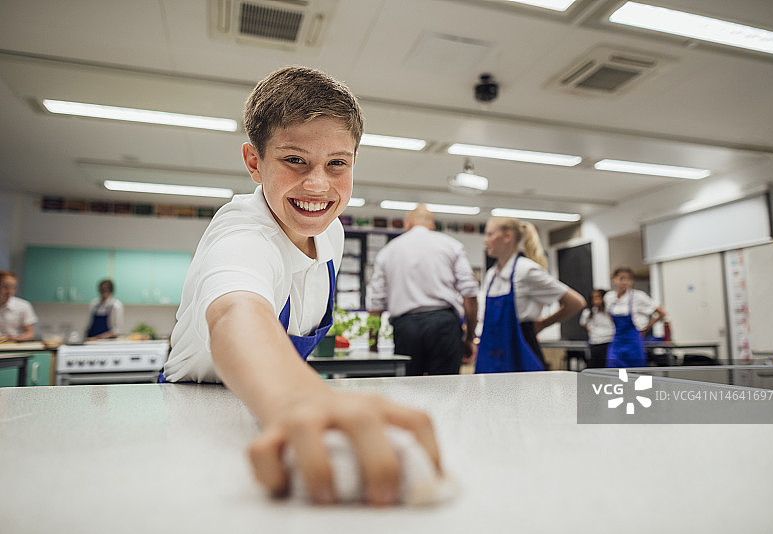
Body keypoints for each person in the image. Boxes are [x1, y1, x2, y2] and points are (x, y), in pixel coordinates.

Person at [162, 66, 439, 506]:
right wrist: (298, 399)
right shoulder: (241, 233)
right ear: (254, 162)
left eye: (337, 164)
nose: (317, 185)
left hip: (268, 414)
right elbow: (238, 310)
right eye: (295, 160)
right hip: (195, 418)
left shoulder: (331, 231)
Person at [365, 205, 479, 376]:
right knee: (446, 391)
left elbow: (376, 303)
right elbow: (469, 293)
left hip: (406, 329)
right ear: (432, 225)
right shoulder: (451, 245)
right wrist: (469, 337)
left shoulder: (388, 251)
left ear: (407, 223)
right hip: (444, 326)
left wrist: (372, 345)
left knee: (409, 392)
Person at [476, 217, 585, 373]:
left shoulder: (526, 270)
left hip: (520, 351)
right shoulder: (491, 275)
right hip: (492, 352)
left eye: (490, 234)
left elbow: (576, 303)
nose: (485, 241)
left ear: (508, 237)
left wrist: (542, 324)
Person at [604, 266, 667, 368]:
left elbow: (662, 313)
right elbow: (609, 316)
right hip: (617, 340)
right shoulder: (609, 297)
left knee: (637, 373)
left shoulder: (638, 296)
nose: (625, 282)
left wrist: (645, 328)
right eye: (621, 278)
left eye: (628, 279)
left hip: (633, 341)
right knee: (613, 370)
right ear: (614, 279)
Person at [579, 289, 614, 368]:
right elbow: (584, 325)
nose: (596, 300)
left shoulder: (610, 311)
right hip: (595, 343)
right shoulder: (588, 312)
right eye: (594, 298)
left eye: (598, 297)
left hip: (609, 342)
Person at [0, 270, 38, 342]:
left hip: (14, 348)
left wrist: (16, 338)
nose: (10, 291)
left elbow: (30, 334)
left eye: (13, 287)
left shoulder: (23, 306)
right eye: (5, 287)